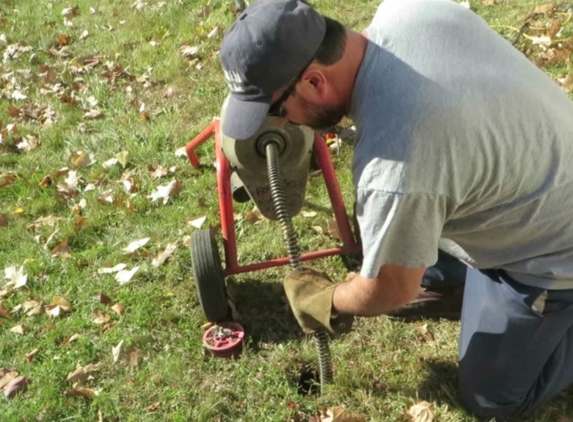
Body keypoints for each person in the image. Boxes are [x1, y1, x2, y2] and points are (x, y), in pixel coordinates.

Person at [219, 0, 573, 420]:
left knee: (492, 400)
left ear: (315, 82)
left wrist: (330, 300)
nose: (283, 124)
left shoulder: (395, 168)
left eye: (277, 111)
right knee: (400, 240)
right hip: (538, 171)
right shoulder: (410, 10)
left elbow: (390, 289)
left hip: (552, 257)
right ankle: (462, 284)